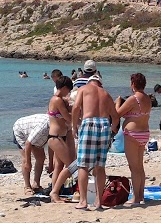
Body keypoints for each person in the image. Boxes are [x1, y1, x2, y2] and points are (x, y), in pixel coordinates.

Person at [71, 64, 117, 211]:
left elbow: (76, 108)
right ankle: (98, 201)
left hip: (89, 122)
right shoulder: (105, 93)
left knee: (83, 164)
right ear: (100, 82)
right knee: (100, 165)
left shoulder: (83, 89)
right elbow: (115, 117)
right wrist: (112, 130)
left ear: (89, 81)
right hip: (104, 124)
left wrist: (74, 127)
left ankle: (83, 201)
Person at [116, 73, 152, 206]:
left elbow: (117, 113)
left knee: (134, 167)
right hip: (144, 133)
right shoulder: (147, 98)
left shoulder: (133, 99)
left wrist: (118, 102)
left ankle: (136, 198)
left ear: (133, 84)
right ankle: (140, 195)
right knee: (139, 166)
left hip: (132, 134)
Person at [46, 76, 76, 204]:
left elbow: (69, 112)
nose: (68, 93)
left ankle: (55, 192)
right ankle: (54, 192)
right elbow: (68, 118)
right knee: (71, 165)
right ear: (63, 88)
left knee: (59, 166)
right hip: (55, 137)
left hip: (60, 136)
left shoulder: (61, 100)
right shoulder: (56, 100)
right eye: (68, 90)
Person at [12, 113, 50, 194]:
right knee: (25, 159)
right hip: (21, 130)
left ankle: (36, 185)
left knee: (41, 158)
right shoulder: (43, 127)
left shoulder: (58, 126)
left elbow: (52, 145)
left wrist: (52, 164)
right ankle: (27, 186)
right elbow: (28, 143)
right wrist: (28, 163)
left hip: (34, 132)